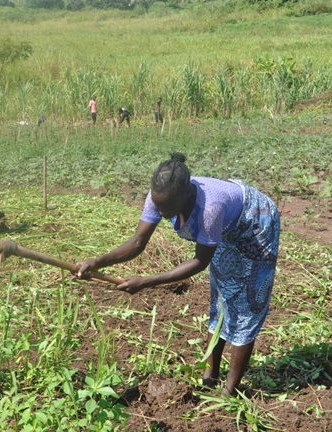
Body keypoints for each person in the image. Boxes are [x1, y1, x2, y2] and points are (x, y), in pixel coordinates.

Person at [77, 153, 280, 396]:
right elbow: (137, 242)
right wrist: (96, 262)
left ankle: (230, 391)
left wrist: (148, 281)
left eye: (167, 208)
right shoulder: (160, 196)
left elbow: (199, 261)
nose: (161, 212)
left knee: (247, 306)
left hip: (256, 225)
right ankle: (210, 376)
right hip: (226, 230)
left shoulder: (210, 207)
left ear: (186, 193)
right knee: (222, 300)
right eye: (158, 205)